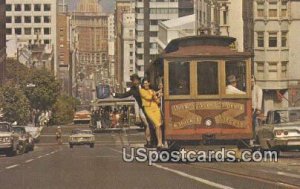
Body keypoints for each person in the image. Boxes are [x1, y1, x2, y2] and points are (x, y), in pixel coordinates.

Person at [112, 74, 152, 147]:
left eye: (136, 80)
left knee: (150, 125)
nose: (135, 82)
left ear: (139, 80)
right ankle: (149, 141)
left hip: (151, 107)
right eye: (133, 80)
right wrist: (115, 95)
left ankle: (150, 141)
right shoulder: (133, 89)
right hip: (142, 109)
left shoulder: (144, 85)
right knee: (147, 124)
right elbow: (124, 95)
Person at [139, 78, 163, 149]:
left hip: (155, 108)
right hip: (148, 109)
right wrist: (157, 92)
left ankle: (160, 143)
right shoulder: (141, 91)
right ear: (143, 84)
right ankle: (157, 142)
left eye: (147, 83)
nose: (146, 84)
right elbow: (148, 97)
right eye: (144, 83)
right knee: (156, 124)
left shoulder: (152, 91)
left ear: (149, 83)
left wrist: (159, 96)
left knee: (158, 125)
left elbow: (157, 101)